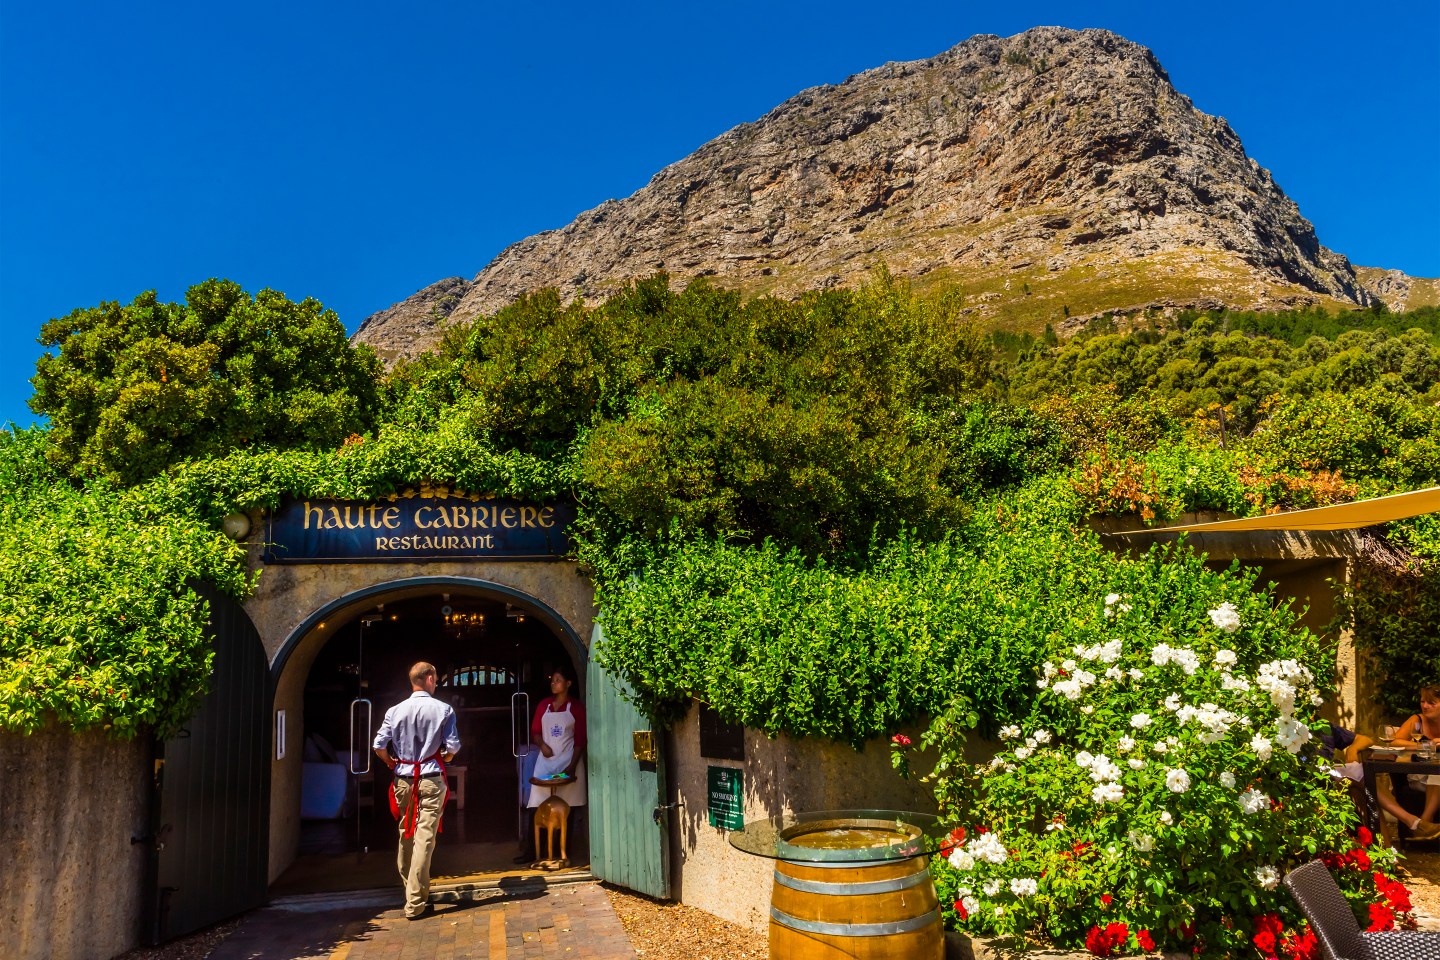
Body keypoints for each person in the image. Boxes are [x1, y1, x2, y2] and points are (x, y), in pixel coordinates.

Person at [372, 661, 461, 920]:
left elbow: (379, 745)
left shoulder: (395, 710)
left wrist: (390, 761)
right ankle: (415, 902)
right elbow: (453, 747)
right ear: (431, 678)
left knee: (405, 832)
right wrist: (445, 757)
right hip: (430, 777)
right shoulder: (443, 709)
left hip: (403, 778)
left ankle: (412, 891)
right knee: (424, 837)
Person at [526, 667, 587, 811]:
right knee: (539, 802)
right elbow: (535, 731)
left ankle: (566, 834)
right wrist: (542, 745)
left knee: (568, 806)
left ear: (568, 683)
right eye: (552, 681)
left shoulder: (576, 707)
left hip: (569, 760)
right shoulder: (543, 705)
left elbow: (580, 740)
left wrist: (572, 767)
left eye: (558, 680)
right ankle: (536, 834)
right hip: (546, 761)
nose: (553, 683)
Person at [1387, 684, 1440, 838]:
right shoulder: (1417, 720)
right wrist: (1425, 745)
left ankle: (1423, 823)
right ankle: (1426, 820)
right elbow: (1394, 741)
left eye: (1431, 703)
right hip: (1419, 776)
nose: (1425, 706)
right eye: (1423, 701)